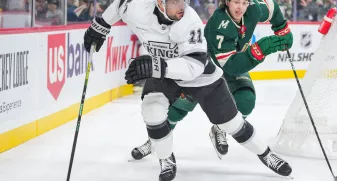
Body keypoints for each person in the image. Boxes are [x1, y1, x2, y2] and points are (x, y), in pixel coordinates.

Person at [83, 0, 292, 180]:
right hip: (165, 71)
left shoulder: (189, 20)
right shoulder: (138, 7)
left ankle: (265, 154)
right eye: (174, 2)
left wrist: (156, 66)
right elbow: (120, 5)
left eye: (183, 1)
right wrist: (100, 25)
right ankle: (166, 160)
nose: (181, 6)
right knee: (152, 109)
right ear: (159, 3)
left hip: (199, 75)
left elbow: (194, 66)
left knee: (232, 124)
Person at [131, 0, 293, 160]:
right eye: (236, 2)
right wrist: (262, 48)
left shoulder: (254, 10)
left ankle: (220, 129)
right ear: (227, 2)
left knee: (246, 99)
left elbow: (272, 7)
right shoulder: (219, 22)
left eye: (244, 3)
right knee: (179, 107)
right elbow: (232, 65)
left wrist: (282, 28)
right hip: (206, 68)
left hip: (234, 62)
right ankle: (155, 141)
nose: (240, 7)